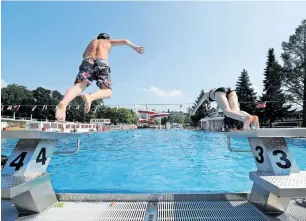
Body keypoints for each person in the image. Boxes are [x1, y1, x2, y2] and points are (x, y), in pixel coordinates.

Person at [55, 33, 144, 121]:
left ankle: (64, 102)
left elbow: (84, 55)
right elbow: (125, 41)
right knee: (108, 91)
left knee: (81, 84)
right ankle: (90, 97)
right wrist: (135, 47)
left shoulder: (93, 41)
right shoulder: (108, 41)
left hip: (88, 61)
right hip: (102, 63)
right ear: (107, 38)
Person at [191, 87, 259, 130]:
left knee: (227, 112)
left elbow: (199, 102)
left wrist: (194, 111)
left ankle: (246, 118)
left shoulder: (206, 94)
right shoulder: (215, 94)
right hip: (230, 91)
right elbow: (219, 103)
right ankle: (251, 117)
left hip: (220, 91)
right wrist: (217, 112)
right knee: (236, 111)